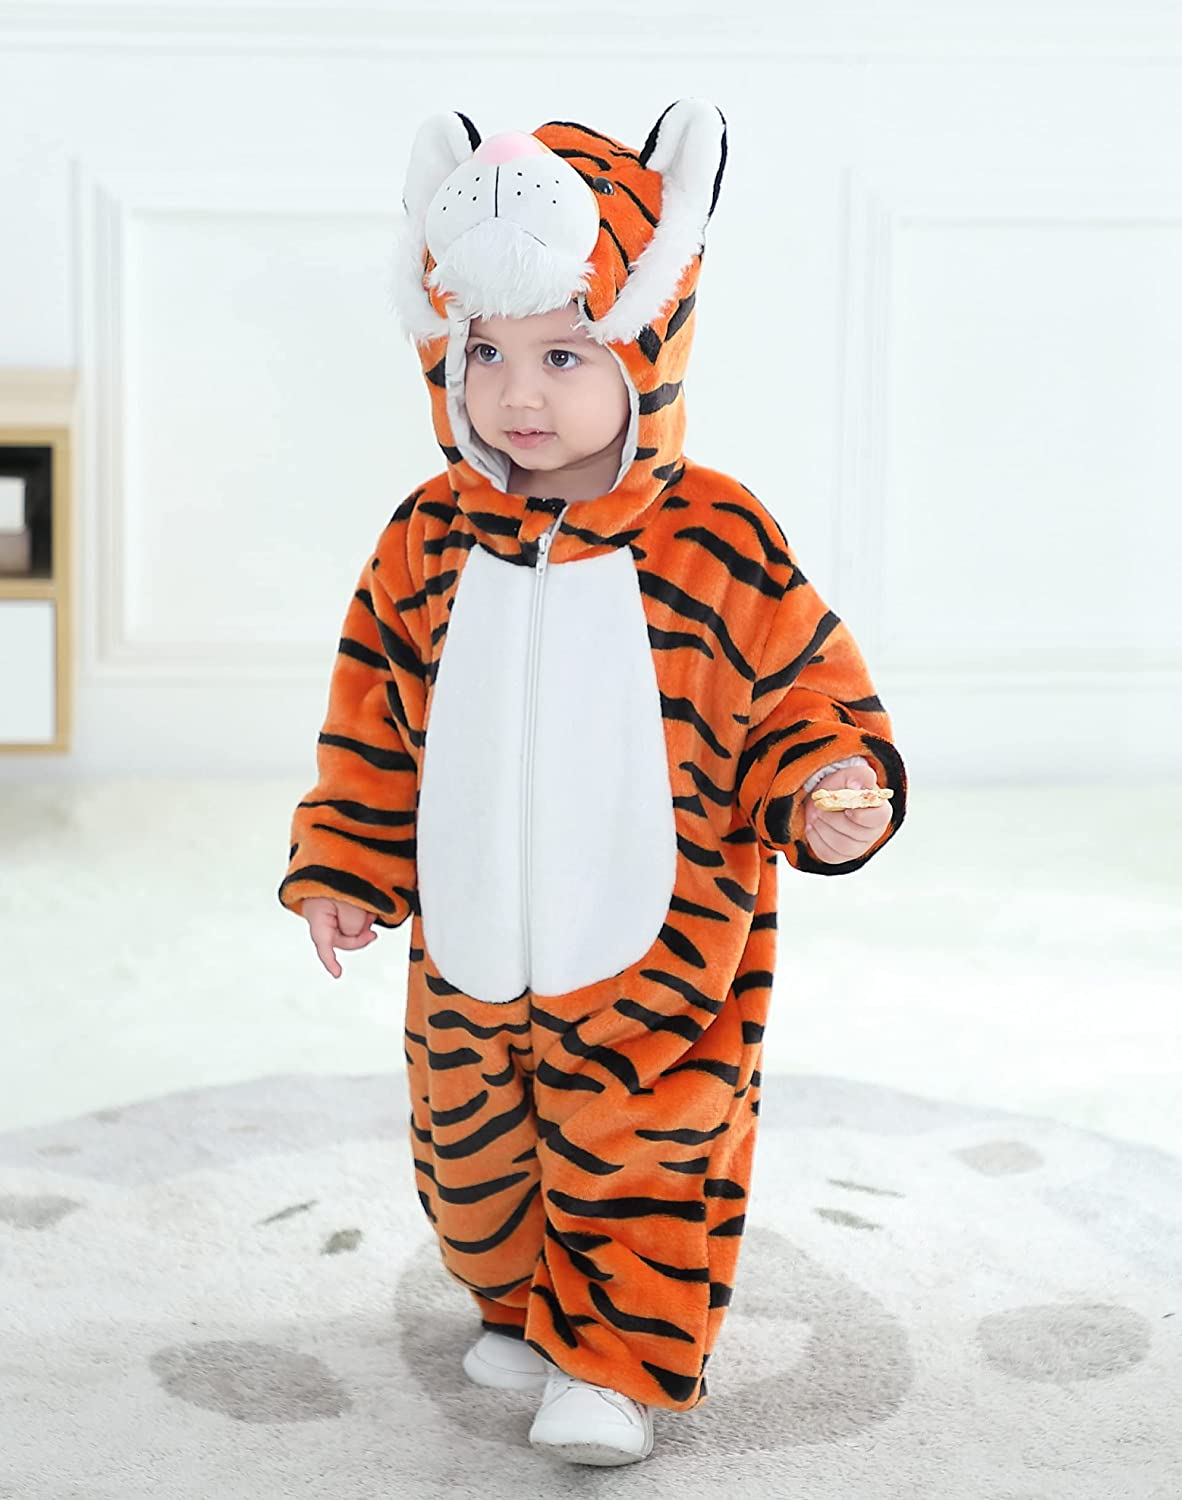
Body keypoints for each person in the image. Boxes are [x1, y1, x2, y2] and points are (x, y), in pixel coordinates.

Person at [278, 99, 908, 1467]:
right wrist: (344, 861)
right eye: (485, 353)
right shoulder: (426, 538)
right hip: (469, 944)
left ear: (646, 345)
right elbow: (372, 716)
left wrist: (829, 782)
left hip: (660, 949)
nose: (519, 395)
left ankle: (615, 1363)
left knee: (645, 1152)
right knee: (470, 1164)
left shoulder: (712, 534)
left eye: (565, 353)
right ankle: (520, 1300)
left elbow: (800, 685)